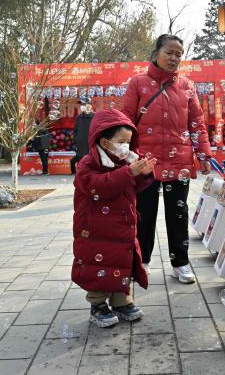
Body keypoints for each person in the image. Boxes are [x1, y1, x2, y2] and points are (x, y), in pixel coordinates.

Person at [122, 34, 212, 284]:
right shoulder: (138, 83)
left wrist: (203, 154)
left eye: (178, 54)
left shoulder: (186, 86)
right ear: (156, 53)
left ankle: (180, 263)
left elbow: (197, 123)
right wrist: (122, 156)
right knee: (144, 214)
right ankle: (143, 262)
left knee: (178, 214)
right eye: (169, 52)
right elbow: (125, 121)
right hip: (145, 162)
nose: (174, 58)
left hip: (179, 160)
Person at [72, 108, 156, 327]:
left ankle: (122, 301)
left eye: (129, 142)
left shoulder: (125, 161)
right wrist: (129, 173)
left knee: (122, 262)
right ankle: (98, 304)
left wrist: (144, 174)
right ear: (104, 141)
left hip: (122, 226)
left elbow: (131, 186)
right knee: (98, 265)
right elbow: (99, 186)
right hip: (96, 230)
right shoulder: (87, 164)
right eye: (121, 141)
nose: (126, 147)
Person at [70, 103, 94, 174]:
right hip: (80, 142)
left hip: (90, 141)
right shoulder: (79, 117)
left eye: (88, 106)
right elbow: (76, 129)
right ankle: (80, 173)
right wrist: (76, 139)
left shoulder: (94, 116)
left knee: (90, 158)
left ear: (90, 107)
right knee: (80, 158)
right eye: (85, 107)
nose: (87, 108)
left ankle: (90, 172)